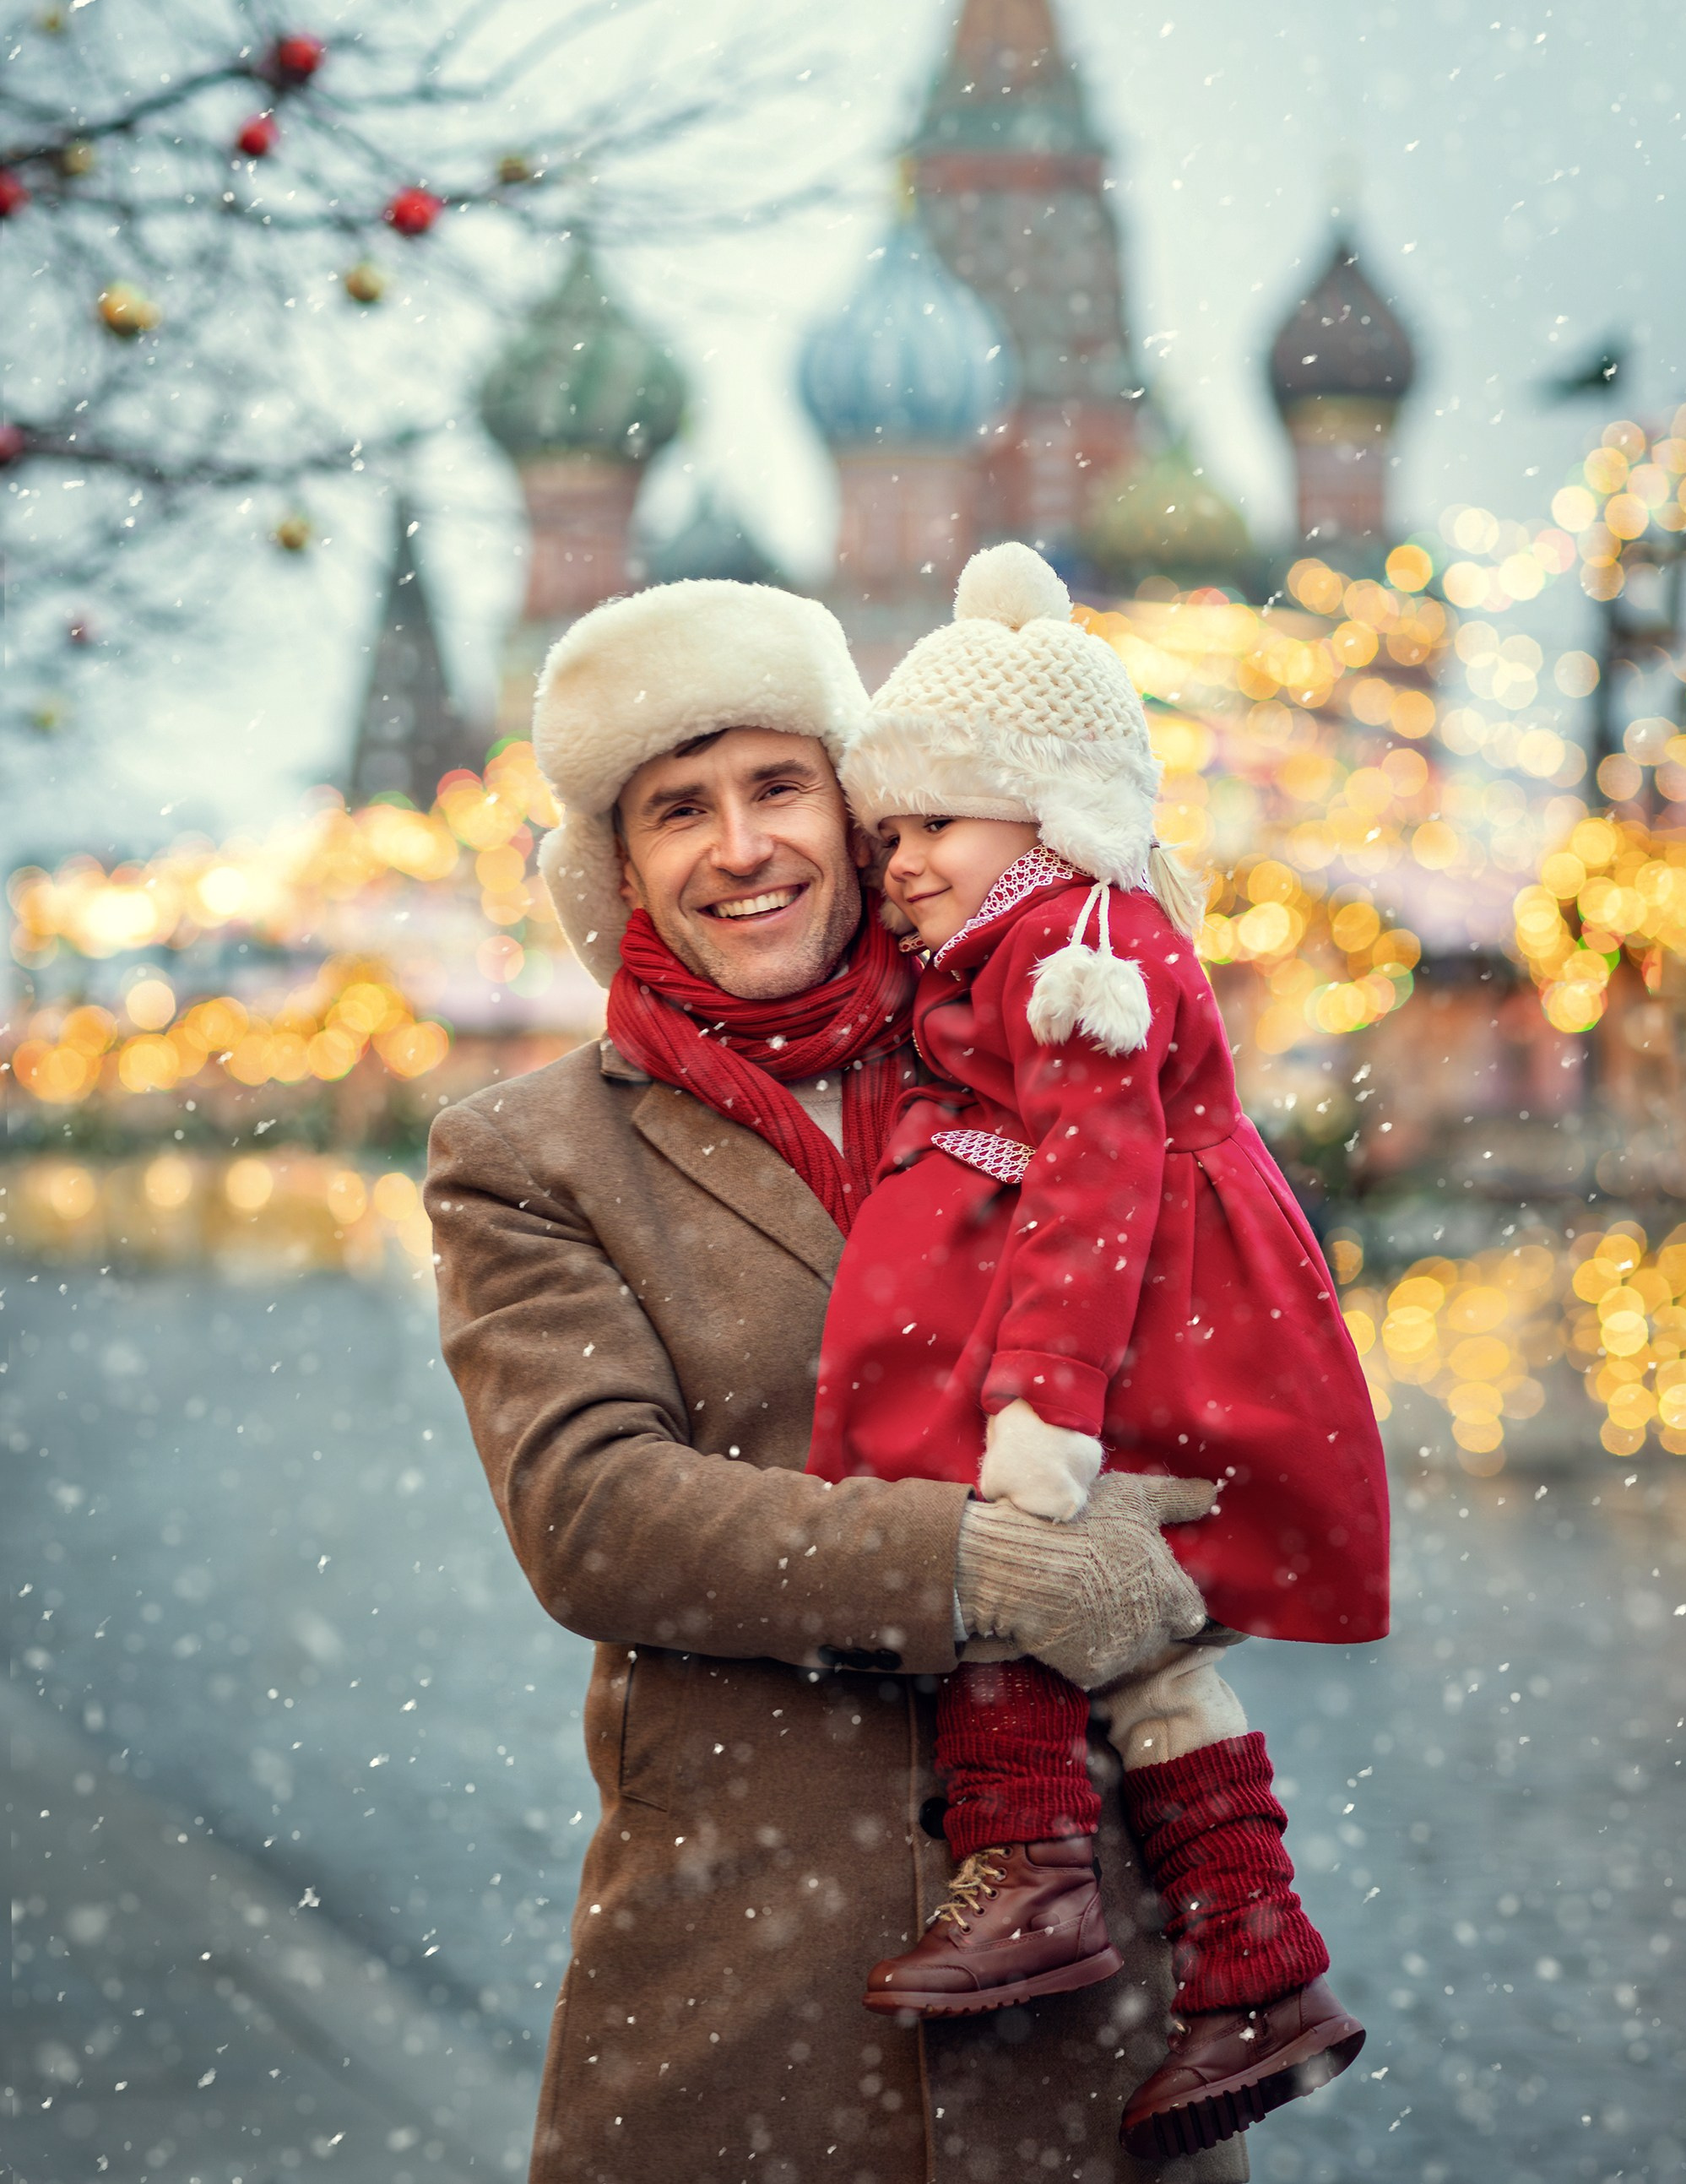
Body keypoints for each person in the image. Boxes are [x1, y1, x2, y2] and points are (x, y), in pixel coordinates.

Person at [424, 574, 1246, 2184]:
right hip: (743, 1985)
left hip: (1089, 1998)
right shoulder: (532, 1156)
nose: (742, 847)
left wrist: (1180, 1542)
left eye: (779, 785)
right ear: (618, 867)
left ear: (859, 813)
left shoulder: (1046, 1046)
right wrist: (979, 1564)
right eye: (679, 809)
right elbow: (593, 1516)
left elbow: (1227, 1357)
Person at [806, 544, 1392, 2165]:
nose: (898, 860)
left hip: (1135, 1350)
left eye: (928, 823)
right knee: (1147, 1651)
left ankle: (1035, 1873)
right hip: (1156, 1335)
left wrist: (1040, 1405)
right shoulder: (1024, 938)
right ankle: (1257, 1966)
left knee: (1019, 1555)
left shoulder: (1076, 951)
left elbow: (1094, 1184)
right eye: (891, 830)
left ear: (1040, 800)